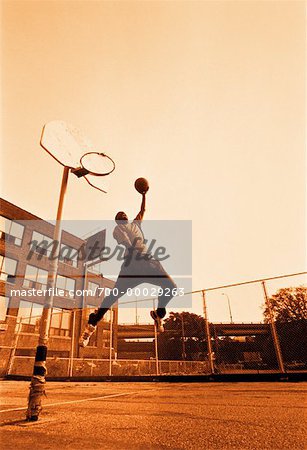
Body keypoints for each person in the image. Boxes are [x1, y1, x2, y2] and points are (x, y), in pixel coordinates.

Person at [79, 186, 177, 347]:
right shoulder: (118, 229)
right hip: (132, 265)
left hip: (149, 261)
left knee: (171, 287)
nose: (122, 214)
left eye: (123, 213)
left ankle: (159, 315)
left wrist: (144, 194)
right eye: (119, 215)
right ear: (118, 220)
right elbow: (127, 244)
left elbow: (143, 209)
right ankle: (92, 325)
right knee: (113, 295)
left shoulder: (136, 223)